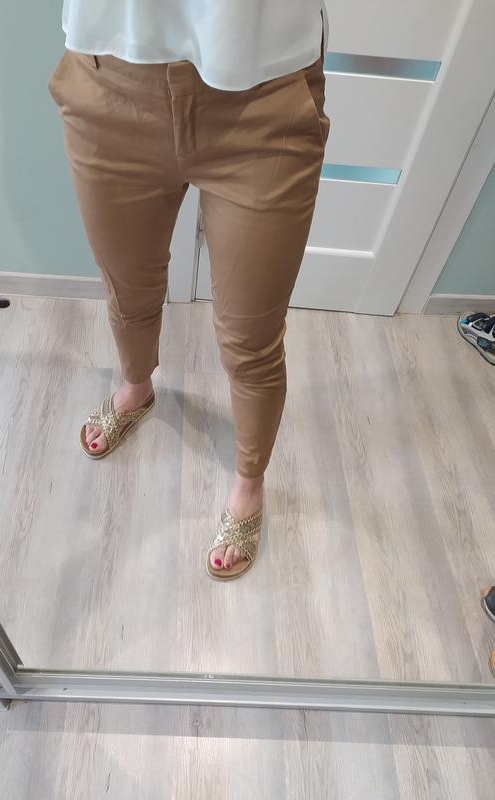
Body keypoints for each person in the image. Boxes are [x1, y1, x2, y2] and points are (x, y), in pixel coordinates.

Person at [48, 0, 331, 580]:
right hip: (111, 75)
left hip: (264, 90)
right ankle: (136, 386)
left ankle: (249, 481)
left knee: (251, 335)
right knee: (127, 283)